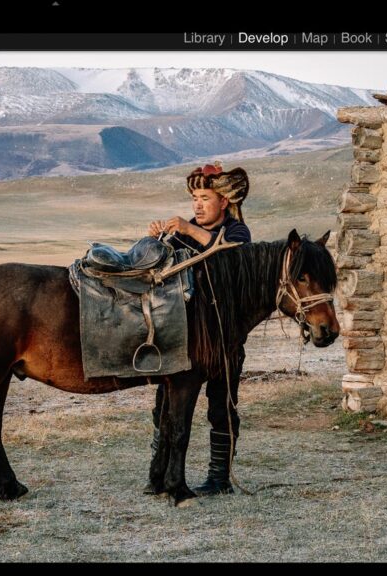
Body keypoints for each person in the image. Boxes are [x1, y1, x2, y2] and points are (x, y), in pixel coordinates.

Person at [147, 161, 251, 496]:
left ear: (223, 202)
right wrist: (157, 242)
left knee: (221, 408)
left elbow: (236, 258)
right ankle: (159, 472)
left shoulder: (237, 232)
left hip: (224, 339)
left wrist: (189, 231)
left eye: (205, 197)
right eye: (194, 197)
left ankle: (219, 479)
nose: (197, 204)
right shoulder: (184, 232)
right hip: (188, 337)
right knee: (166, 403)